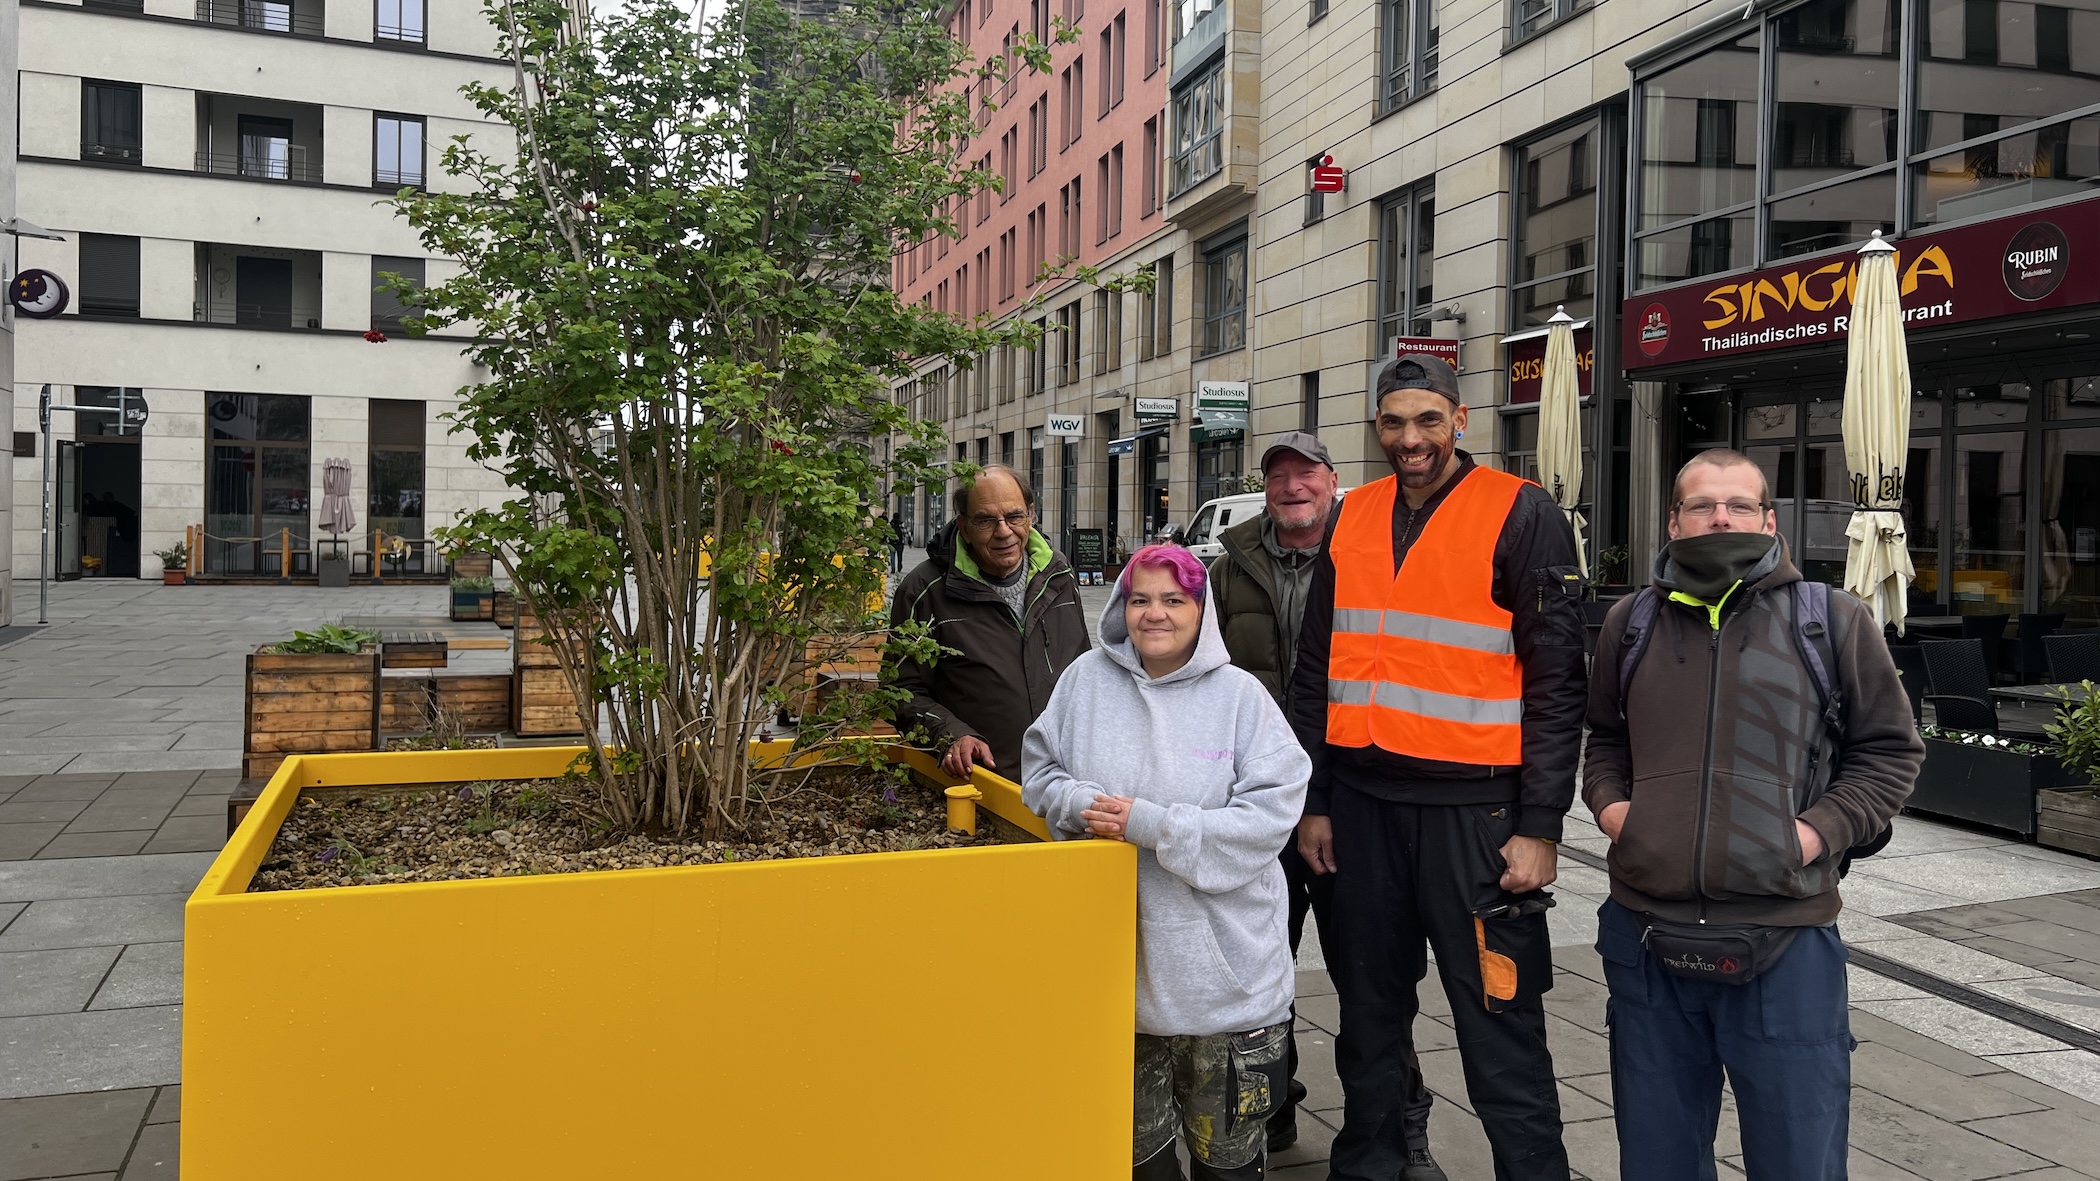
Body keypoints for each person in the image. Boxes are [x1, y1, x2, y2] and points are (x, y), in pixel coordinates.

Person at [1582, 449, 1922, 1181]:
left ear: (1769, 519)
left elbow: (1891, 752)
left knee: (1799, 1163)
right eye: (1702, 505)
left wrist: (1810, 835)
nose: (1720, 518)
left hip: (1786, 939)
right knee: (1657, 1163)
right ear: (1673, 521)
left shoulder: (1830, 619)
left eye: (1738, 505)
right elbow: (1604, 737)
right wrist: (1617, 813)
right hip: (1646, 936)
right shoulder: (1630, 621)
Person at [1289, 354, 1585, 1181]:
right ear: (1375, 426)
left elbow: (1560, 684)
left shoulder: (1520, 513)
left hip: (1478, 820)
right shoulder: (1350, 515)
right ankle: (1371, 1165)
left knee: (1499, 1022)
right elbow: (1316, 670)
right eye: (1393, 421)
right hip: (1360, 807)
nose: (1409, 438)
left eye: (1427, 419)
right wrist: (1315, 801)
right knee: (1369, 1017)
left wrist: (1541, 828)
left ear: (1460, 421)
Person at [1023, 544, 1311, 1181]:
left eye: (1173, 600)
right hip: (1116, 978)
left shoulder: (1242, 699)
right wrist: (1078, 802)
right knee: (1138, 1167)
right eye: (1140, 599)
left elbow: (1268, 819)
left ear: (1201, 609)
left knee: (1227, 1169)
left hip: (1223, 986)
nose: (1154, 614)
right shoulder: (1083, 682)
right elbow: (1039, 773)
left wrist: (1149, 823)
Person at [1209, 431, 1442, 1175]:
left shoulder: (1372, 547)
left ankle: (1400, 1124)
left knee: (1371, 972)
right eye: (1278, 475)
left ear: (1333, 482)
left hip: (1351, 795)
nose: (1292, 487)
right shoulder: (1228, 566)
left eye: (1305, 474)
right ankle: (1269, 1109)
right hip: (1254, 802)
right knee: (1252, 966)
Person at [889, 464, 1092, 778]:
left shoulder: (1059, 574)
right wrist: (950, 734)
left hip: (1068, 781)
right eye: (985, 520)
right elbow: (901, 690)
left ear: (1031, 515)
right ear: (964, 526)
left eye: (1014, 516)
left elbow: (1086, 672)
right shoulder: (925, 590)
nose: (1004, 531)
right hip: (985, 785)